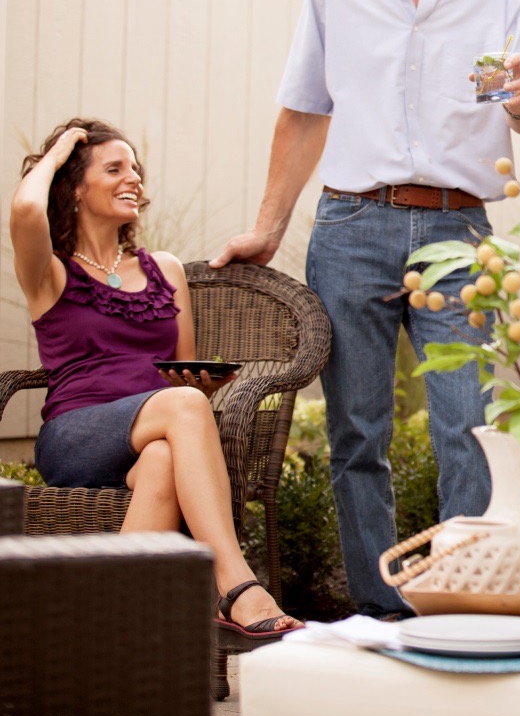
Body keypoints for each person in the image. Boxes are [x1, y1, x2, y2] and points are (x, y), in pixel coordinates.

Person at [211, 0, 520, 618]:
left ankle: (464, 598)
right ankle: (381, 609)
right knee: (356, 432)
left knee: (468, 422)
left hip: (458, 230)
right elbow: (302, 115)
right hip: (352, 229)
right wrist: (268, 226)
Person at [11, 119, 302, 638]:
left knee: (168, 452)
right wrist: (58, 151)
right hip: (78, 434)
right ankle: (234, 583)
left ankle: (102, 634)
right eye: (115, 169)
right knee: (185, 409)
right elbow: (27, 209)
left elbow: (180, 378)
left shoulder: (164, 270)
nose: (134, 180)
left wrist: (198, 385)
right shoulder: (51, 273)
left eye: (136, 170)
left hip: (156, 431)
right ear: (75, 187)